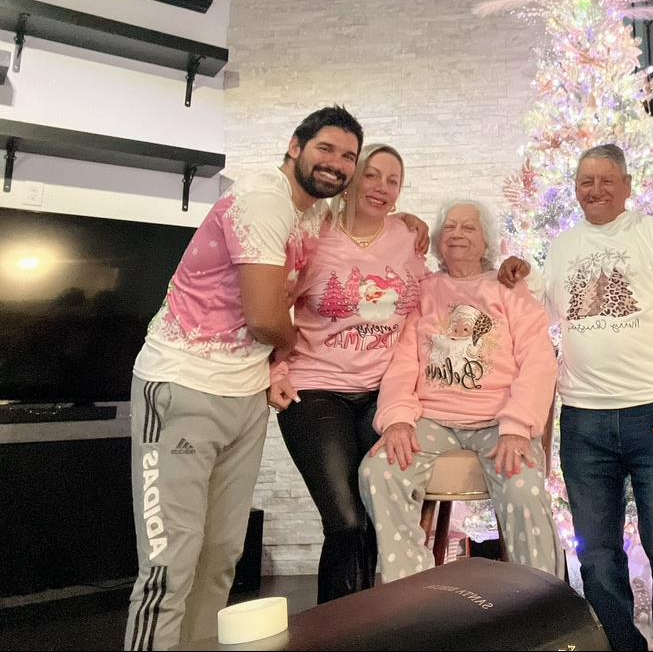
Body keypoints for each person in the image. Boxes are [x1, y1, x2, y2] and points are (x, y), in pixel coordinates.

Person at [124, 105, 363, 651]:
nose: (337, 164)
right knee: (169, 568)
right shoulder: (262, 201)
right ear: (295, 146)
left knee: (219, 560)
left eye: (348, 156)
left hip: (245, 396)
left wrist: (412, 223)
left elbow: (367, 225)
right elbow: (265, 317)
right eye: (326, 148)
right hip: (182, 385)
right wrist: (298, 346)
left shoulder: (314, 215)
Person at [498, 143, 653, 651]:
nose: (596, 189)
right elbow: (542, 310)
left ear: (627, 185)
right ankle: (618, 645)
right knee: (596, 553)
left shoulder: (652, 236)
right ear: (577, 189)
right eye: (587, 181)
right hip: (584, 421)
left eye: (607, 180)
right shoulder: (564, 245)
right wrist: (521, 276)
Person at [359, 199, 566, 584]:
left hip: (497, 420)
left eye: (469, 227)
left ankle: (541, 602)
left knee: (523, 488)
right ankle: (411, 592)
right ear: (437, 239)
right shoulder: (424, 291)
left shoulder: (508, 288)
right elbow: (403, 362)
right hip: (433, 419)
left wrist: (518, 427)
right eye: (450, 226)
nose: (457, 233)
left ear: (486, 240)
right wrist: (398, 419)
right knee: (378, 471)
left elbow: (539, 361)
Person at [267, 143, 428, 603]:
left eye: (392, 180)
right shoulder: (313, 233)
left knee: (381, 515)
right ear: (352, 178)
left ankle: (371, 626)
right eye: (372, 175)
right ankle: (335, 632)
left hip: (382, 393)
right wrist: (275, 368)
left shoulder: (407, 236)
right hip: (316, 390)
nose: (381, 187)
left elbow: (430, 303)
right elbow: (274, 304)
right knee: (346, 520)